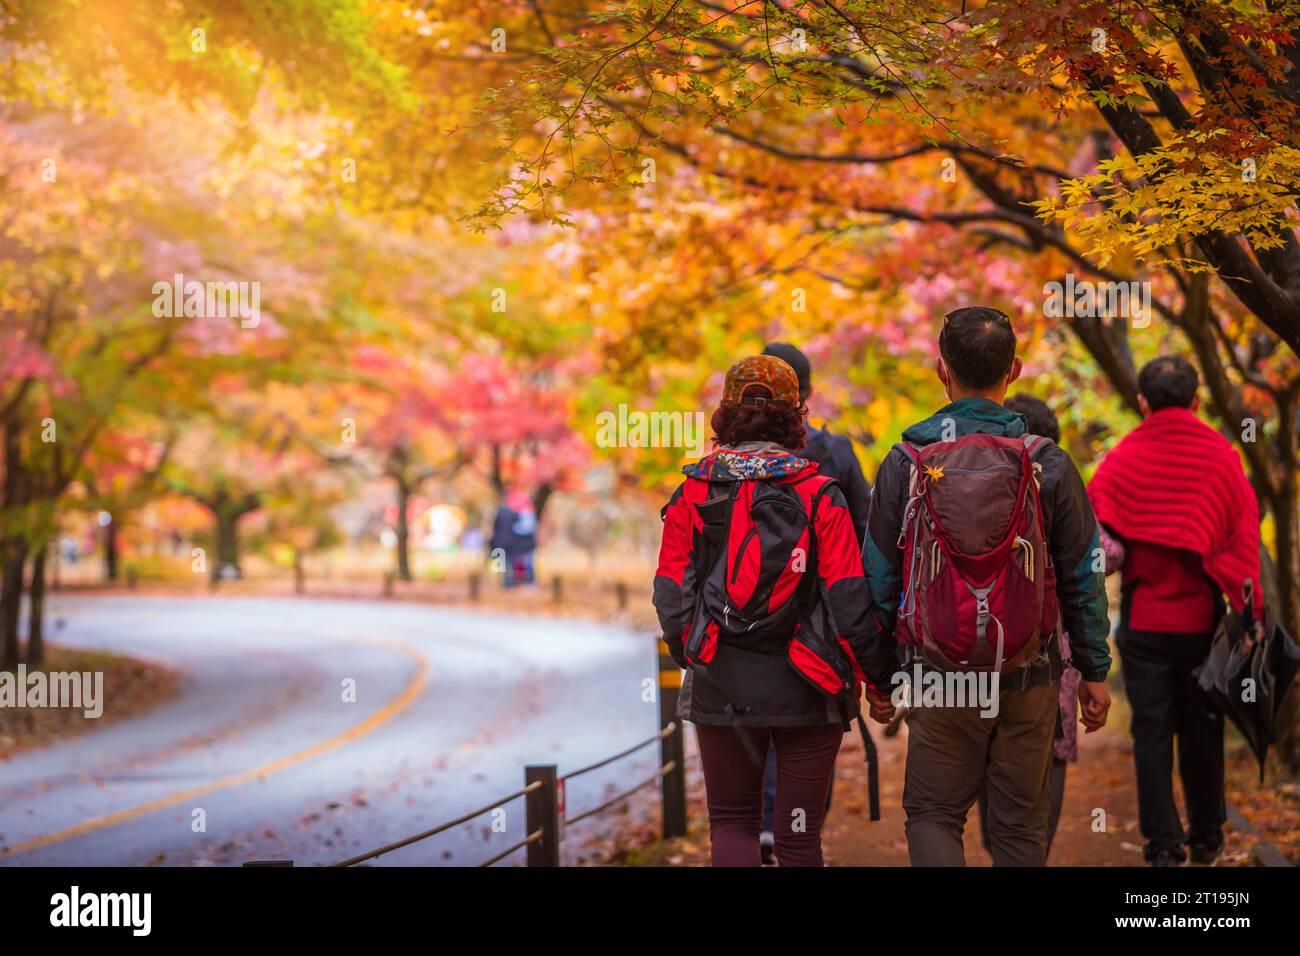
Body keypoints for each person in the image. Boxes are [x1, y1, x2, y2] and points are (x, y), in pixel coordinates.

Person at [861, 306, 1113, 867]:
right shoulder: (1049, 463)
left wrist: (880, 674)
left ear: (940, 370)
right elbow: (1083, 575)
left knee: (932, 814)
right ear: (1015, 369)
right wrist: (1094, 671)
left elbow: (876, 578)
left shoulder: (905, 463)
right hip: (1030, 669)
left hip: (938, 674)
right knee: (1021, 826)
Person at [652, 355, 888, 866]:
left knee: (732, 827)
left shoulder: (693, 492)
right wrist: (879, 680)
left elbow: (671, 594)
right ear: (795, 416)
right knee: (799, 839)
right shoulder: (819, 495)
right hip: (810, 683)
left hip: (721, 684)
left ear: (726, 414)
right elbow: (849, 599)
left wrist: (695, 648)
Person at [1088, 355, 1262, 867]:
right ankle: (1207, 834)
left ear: (1142, 402)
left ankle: (1162, 844)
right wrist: (1250, 613)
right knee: (1203, 729)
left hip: (1143, 621)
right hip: (1203, 624)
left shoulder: (1121, 458)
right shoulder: (1221, 455)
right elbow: (1243, 536)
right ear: (1196, 400)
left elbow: (1096, 535)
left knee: (1151, 733)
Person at [754, 342, 872, 862]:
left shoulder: (722, 464)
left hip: (745, 625)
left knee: (753, 736)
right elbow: (868, 542)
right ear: (807, 393)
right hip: (822, 626)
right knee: (808, 739)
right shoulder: (836, 454)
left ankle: (762, 824)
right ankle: (796, 828)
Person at [975, 393, 1079, 859]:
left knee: (986, 748)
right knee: (1051, 752)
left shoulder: (975, 483)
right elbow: (1091, 565)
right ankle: (1026, 852)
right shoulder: (1060, 479)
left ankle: (997, 846)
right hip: (1053, 652)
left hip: (980, 642)